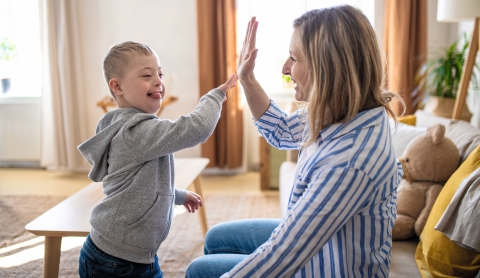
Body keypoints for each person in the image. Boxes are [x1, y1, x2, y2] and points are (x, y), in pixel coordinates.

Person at [186, 5, 405, 278]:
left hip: (327, 269)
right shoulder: (347, 111)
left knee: (199, 271)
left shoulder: (350, 162)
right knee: (216, 238)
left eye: (294, 58)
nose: (285, 68)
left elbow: (283, 256)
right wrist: (247, 78)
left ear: (329, 66)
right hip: (321, 248)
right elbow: (282, 131)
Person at [77, 41, 237, 278]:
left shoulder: (125, 125)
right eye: (147, 75)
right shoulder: (134, 131)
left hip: (134, 255)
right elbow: (195, 129)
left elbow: (140, 185)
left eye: (159, 74)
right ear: (117, 86)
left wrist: (178, 195)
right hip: (114, 262)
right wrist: (215, 96)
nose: (158, 81)